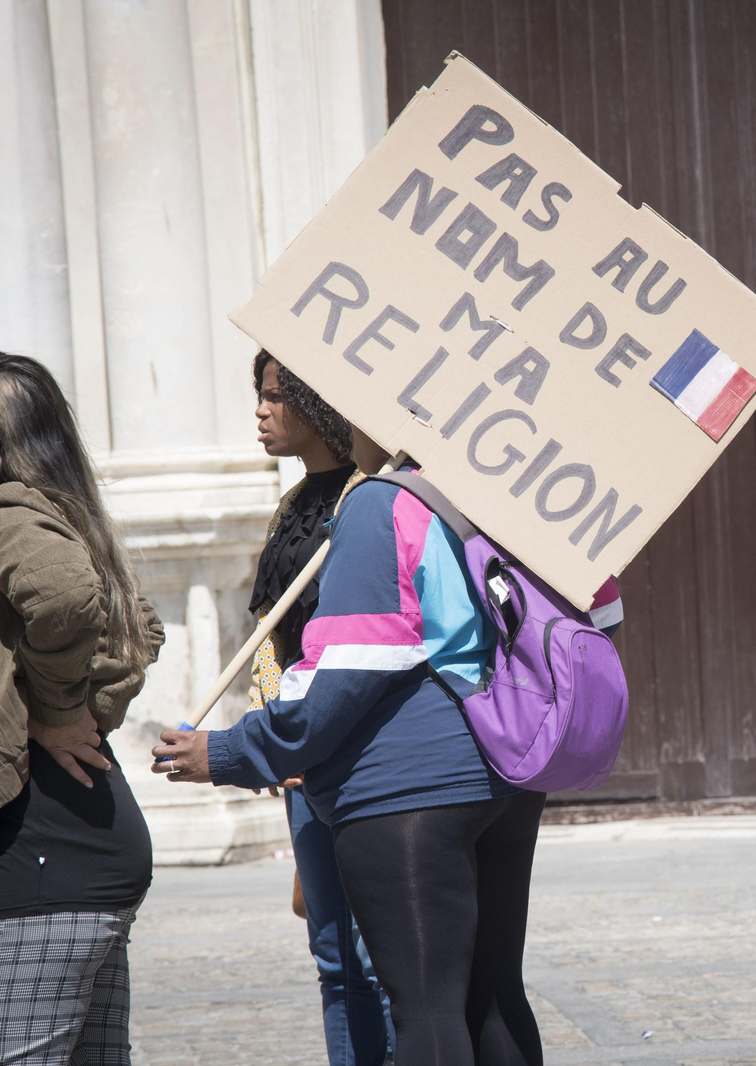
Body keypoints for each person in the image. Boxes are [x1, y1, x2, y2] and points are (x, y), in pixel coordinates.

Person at [153, 425, 545, 1066]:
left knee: (427, 1008)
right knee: (494, 996)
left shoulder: (378, 503)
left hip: (408, 787)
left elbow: (341, 673)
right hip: (506, 770)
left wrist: (226, 753)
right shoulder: (492, 490)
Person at [0, 347, 164, 1064]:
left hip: (42, 855)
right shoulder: (39, 514)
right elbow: (135, 626)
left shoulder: (1, 515)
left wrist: (56, 709)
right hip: (75, 846)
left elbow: (65, 600)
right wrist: (81, 702)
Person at [247, 349, 392, 1066]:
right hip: (301, 760)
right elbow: (268, 635)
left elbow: (365, 637)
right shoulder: (292, 506)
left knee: (382, 960)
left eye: (276, 396)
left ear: (317, 402)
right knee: (334, 959)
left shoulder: (369, 500)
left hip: (358, 757)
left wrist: (311, 735)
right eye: (260, 395)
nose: (261, 410)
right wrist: (282, 732)